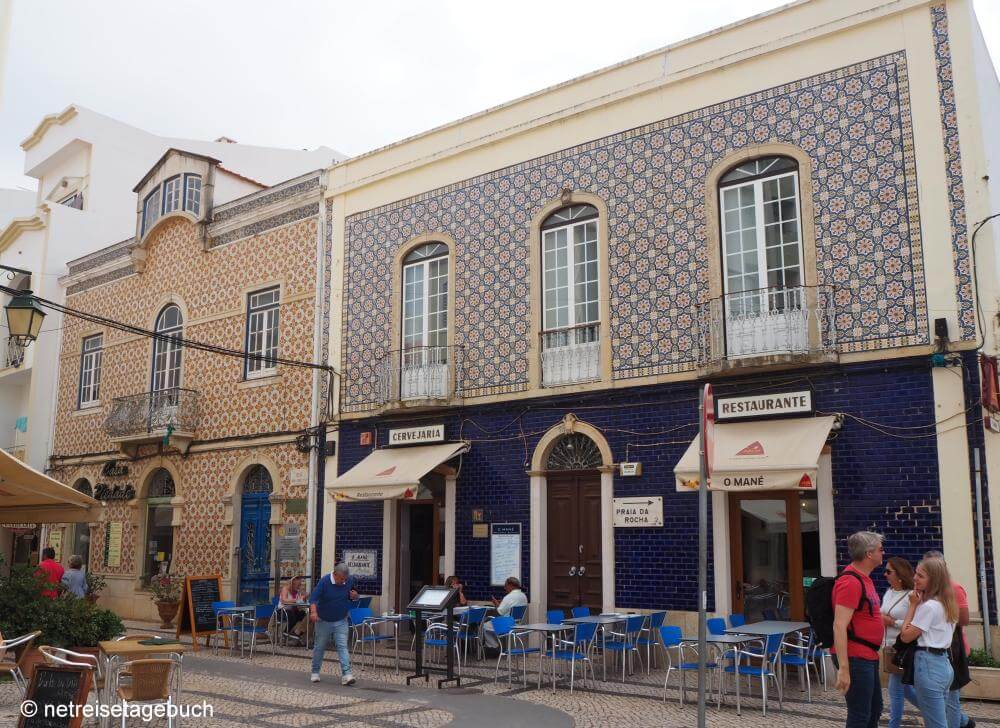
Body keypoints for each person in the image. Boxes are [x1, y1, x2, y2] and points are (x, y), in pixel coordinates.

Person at [898, 557, 959, 728]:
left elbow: (905, 636)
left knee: (936, 724)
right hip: (944, 664)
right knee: (941, 721)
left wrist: (912, 606)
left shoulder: (929, 607)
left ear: (934, 580)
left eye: (921, 575)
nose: (915, 578)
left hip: (929, 663)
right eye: (916, 574)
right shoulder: (948, 603)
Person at [833, 531, 885, 728]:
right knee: (860, 715)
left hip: (867, 656)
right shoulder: (850, 582)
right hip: (855, 657)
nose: (883, 552)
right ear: (869, 553)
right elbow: (839, 625)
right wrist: (844, 669)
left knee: (874, 709)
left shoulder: (865, 579)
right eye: (880, 549)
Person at [924, 550, 975, 728]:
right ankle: (961, 721)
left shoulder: (954, 588)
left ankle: (958, 722)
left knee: (952, 698)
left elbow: (964, 620)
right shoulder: (924, 590)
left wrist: (941, 613)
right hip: (930, 652)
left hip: (952, 650)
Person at [882, 556, 918, 728]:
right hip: (889, 646)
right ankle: (957, 718)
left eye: (889, 571)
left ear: (900, 574)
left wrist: (891, 622)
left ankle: (893, 725)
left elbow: (915, 622)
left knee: (895, 690)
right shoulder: (889, 592)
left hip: (904, 647)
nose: (885, 574)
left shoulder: (911, 596)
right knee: (906, 691)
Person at [309, 563, 358, 686]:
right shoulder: (324, 581)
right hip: (323, 620)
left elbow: (351, 595)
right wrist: (314, 612)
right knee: (319, 647)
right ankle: (315, 672)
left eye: (345, 579)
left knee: (342, 646)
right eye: (341, 579)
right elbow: (313, 599)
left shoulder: (349, 580)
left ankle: (347, 674)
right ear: (335, 574)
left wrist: (354, 596)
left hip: (341, 620)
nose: (343, 581)